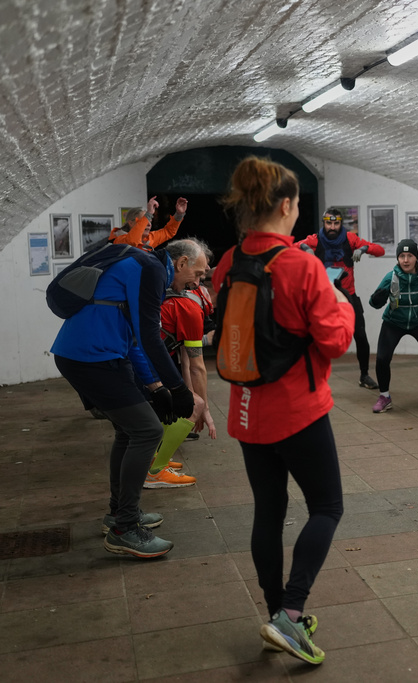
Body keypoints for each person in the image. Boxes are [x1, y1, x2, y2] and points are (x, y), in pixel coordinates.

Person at [211, 156, 355, 663]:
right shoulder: (300, 264)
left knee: (268, 513)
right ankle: (291, 616)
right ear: (288, 205)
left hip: (247, 413)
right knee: (327, 507)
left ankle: (275, 611)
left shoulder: (229, 262)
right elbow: (335, 341)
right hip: (299, 411)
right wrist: (344, 305)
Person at [51, 242, 199, 558]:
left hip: (91, 355)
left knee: (129, 430)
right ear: (182, 262)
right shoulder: (153, 270)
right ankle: (125, 529)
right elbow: (149, 336)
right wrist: (177, 388)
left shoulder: (143, 269)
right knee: (148, 431)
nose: (197, 283)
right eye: (197, 274)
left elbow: (134, 340)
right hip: (91, 358)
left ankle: (119, 514)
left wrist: (157, 387)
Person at [146, 238, 218, 488]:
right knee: (193, 403)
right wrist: (203, 408)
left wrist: (190, 399)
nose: (198, 283)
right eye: (198, 276)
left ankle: (156, 461)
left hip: (142, 364)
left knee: (190, 402)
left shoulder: (172, 297)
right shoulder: (189, 309)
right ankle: (155, 470)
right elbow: (197, 365)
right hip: (142, 368)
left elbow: (185, 362)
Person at [296, 207, 386, 389]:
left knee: (361, 336)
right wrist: (304, 248)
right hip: (324, 297)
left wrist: (364, 248)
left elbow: (380, 250)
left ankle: (364, 375)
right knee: (311, 337)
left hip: (349, 295)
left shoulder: (350, 239)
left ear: (340, 223)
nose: (332, 226)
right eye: (329, 222)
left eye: (336, 223)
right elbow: (291, 247)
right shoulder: (314, 240)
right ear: (324, 223)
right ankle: (310, 376)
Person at [368, 239, 418, 412]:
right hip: (393, 322)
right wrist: (376, 300)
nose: (405, 260)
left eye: (410, 256)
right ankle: (384, 397)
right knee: (382, 359)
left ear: (416, 258)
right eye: (402, 256)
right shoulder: (390, 277)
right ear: (398, 259)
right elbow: (373, 302)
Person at [112, 196, 188, 251]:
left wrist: (179, 214)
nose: (149, 224)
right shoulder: (119, 239)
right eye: (143, 221)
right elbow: (133, 241)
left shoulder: (149, 239)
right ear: (131, 223)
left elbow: (168, 231)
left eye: (150, 221)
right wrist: (148, 214)